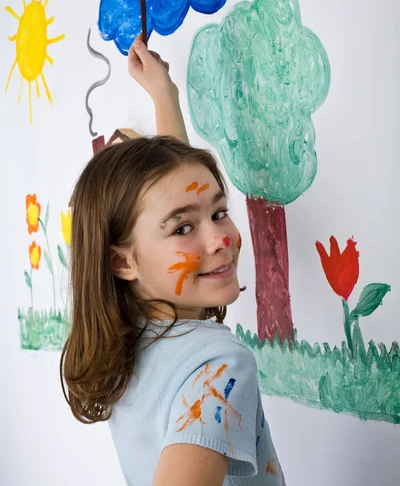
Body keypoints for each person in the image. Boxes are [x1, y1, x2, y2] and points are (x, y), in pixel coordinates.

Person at [60, 34, 285, 486]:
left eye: (220, 213)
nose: (220, 238)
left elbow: (170, 202)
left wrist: (164, 96)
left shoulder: (124, 340)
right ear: (122, 263)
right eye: (185, 228)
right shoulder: (218, 364)